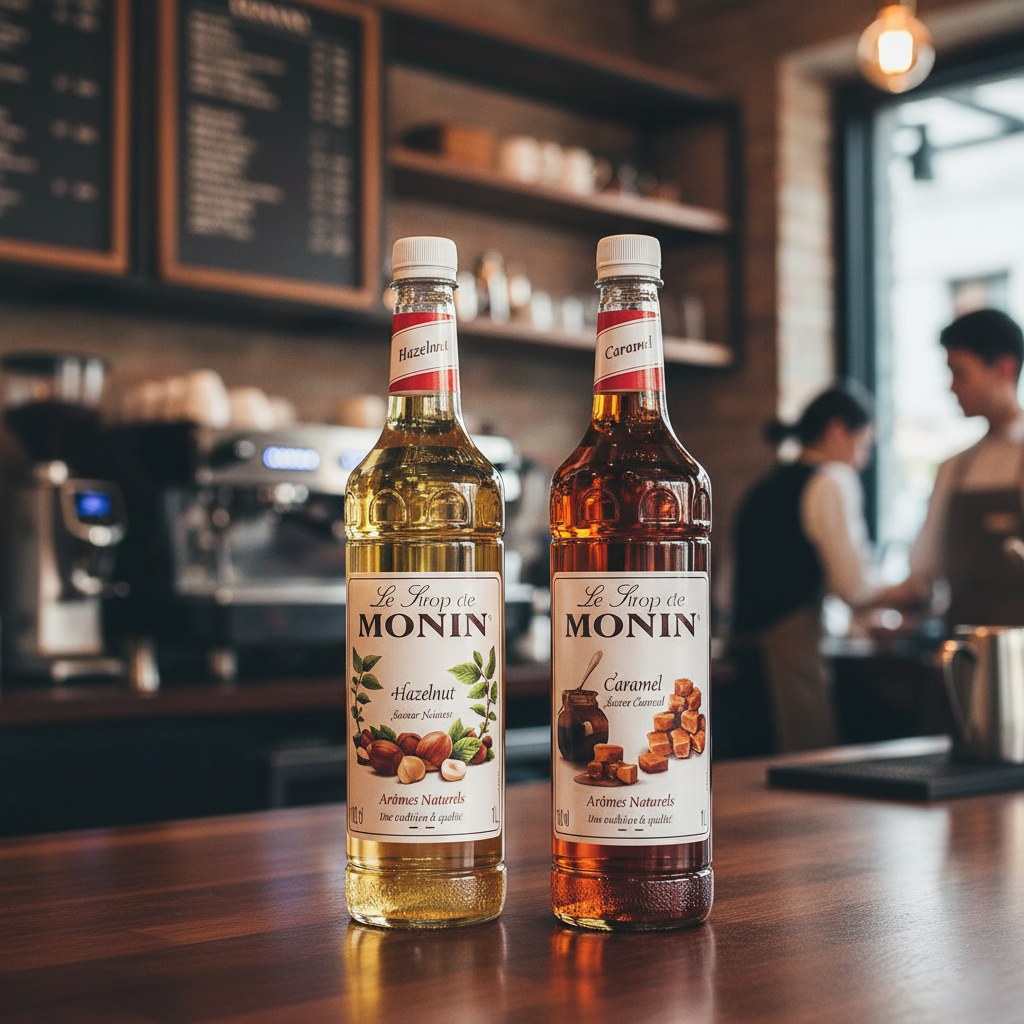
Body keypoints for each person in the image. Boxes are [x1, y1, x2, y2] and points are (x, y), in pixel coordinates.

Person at [731, 383, 882, 753]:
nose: (863, 461)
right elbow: (854, 588)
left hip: (742, 649)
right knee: (808, 764)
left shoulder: (762, 487)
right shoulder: (831, 480)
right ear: (838, 429)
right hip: (790, 648)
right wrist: (918, 591)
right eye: (864, 444)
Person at [880, 308, 1024, 626]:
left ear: (1005, 368)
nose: (952, 388)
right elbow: (923, 574)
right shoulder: (954, 467)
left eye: (960, 373)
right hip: (963, 644)